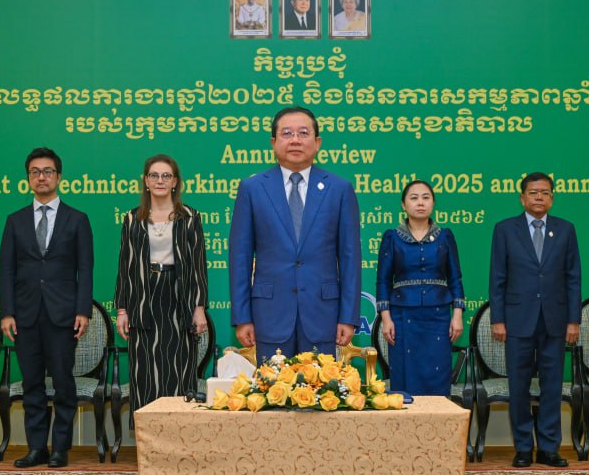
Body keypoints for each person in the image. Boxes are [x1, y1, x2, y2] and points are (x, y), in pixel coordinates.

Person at [229, 106, 361, 357]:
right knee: (271, 383)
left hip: (323, 315)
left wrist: (348, 316)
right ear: (273, 142)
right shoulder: (252, 189)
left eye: (303, 133)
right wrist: (242, 317)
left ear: (317, 142)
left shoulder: (339, 189)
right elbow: (240, 258)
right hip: (269, 314)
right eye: (287, 133)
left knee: (322, 383)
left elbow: (350, 258)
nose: (295, 140)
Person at [0, 147, 94, 468]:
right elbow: (6, 269)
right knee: (32, 384)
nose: (41, 177)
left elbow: (85, 268)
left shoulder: (77, 219)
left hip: (63, 314)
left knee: (63, 383)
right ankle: (36, 447)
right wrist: (7, 312)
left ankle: (60, 448)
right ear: (28, 178)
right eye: (35, 172)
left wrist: (83, 311)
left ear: (58, 177)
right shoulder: (14, 221)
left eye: (47, 171)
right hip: (25, 314)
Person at [488, 172, 581, 468]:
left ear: (552, 198)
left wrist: (573, 320)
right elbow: (497, 278)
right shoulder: (505, 229)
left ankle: (549, 448)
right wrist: (498, 319)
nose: (539, 197)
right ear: (522, 198)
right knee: (519, 387)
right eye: (533, 192)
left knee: (552, 386)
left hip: (555, 320)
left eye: (545, 192)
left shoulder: (566, 229)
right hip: (518, 320)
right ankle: (524, 448)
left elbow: (573, 278)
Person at [115, 154, 209, 411]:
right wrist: (122, 309)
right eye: (154, 175)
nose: (160, 180)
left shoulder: (190, 217)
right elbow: (124, 266)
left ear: (175, 182)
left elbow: (198, 265)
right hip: (142, 300)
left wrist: (199, 307)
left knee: (178, 370)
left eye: (166, 176)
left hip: (179, 300)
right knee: (144, 373)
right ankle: (147, 433)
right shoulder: (132, 219)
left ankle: (179, 431)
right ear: (146, 181)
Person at [376, 179, 464, 395]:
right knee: (405, 376)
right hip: (402, 317)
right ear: (403, 205)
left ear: (433, 203)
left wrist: (457, 315)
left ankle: (439, 417)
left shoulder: (445, 236)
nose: (420, 203)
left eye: (426, 197)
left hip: (438, 316)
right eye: (414, 198)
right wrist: (386, 319)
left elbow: (455, 279)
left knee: (437, 373)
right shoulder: (392, 238)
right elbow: (383, 281)